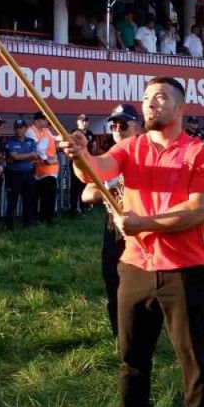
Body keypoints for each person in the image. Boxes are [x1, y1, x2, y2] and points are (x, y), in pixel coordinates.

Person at [60, 77, 204, 407]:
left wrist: (144, 222)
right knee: (131, 354)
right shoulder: (130, 147)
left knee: (192, 356)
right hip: (134, 268)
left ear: (180, 107)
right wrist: (80, 155)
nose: (151, 103)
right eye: (147, 98)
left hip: (182, 269)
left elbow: (200, 210)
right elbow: (96, 172)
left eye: (161, 97)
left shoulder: (200, 152)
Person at [81, 104, 140, 337]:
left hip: (144, 227)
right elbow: (86, 193)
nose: (117, 130)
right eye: (113, 125)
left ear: (138, 127)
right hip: (114, 227)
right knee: (113, 281)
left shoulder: (147, 155)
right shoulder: (108, 158)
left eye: (123, 125)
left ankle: (143, 332)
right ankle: (120, 334)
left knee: (143, 285)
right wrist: (108, 193)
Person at [3, 120, 37, 229]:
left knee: (28, 200)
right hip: (13, 175)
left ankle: (27, 225)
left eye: (21, 128)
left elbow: (35, 156)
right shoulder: (10, 142)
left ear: (25, 128)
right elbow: (15, 156)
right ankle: (9, 226)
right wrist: (29, 155)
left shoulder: (31, 141)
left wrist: (20, 156)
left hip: (28, 174)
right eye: (16, 128)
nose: (18, 130)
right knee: (12, 201)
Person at [29, 112, 60, 225]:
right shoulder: (30, 132)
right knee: (38, 197)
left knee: (47, 197)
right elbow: (38, 149)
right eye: (44, 119)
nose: (46, 122)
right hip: (40, 169)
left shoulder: (46, 131)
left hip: (48, 170)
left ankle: (45, 218)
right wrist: (47, 160)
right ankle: (41, 219)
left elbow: (54, 139)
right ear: (37, 121)